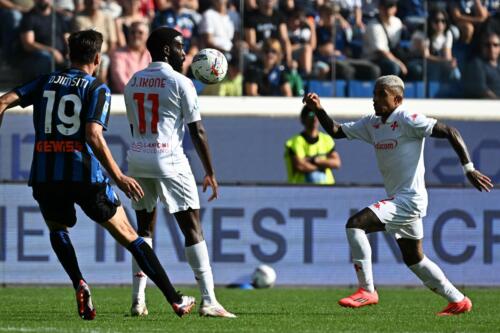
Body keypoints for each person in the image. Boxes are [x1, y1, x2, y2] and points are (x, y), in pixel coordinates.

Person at [0, 29, 196, 320]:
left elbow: (2, 101)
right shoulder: (96, 89)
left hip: (45, 173)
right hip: (83, 175)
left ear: (69, 54)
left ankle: (79, 281)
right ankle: (176, 300)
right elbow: (93, 134)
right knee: (132, 237)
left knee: (58, 229)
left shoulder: (45, 81)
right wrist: (118, 176)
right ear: (96, 57)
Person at [303, 75, 493, 315]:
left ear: (398, 98)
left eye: (381, 94)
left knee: (355, 225)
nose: (375, 99)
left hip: (408, 199)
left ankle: (367, 290)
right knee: (415, 259)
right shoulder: (372, 123)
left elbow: (449, 131)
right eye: (374, 93)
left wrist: (469, 169)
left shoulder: (406, 119)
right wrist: (319, 109)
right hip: (402, 198)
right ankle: (459, 300)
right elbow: (336, 131)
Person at [123, 27, 236, 318]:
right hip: (169, 159)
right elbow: (196, 130)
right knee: (192, 228)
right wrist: (210, 171)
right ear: (165, 50)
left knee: (143, 230)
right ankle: (209, 301)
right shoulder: (181, 82)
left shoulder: (133, 80)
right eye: (180, 46)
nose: (185, 53)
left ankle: (138, 301)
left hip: (137, 160)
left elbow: (135, 127)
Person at [284, 105, 341, 184]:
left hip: (327, 190)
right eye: (311, 115)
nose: (314, 119)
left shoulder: (327, 140)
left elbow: (336, 162)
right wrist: (324, 164)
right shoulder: (294, 142)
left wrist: (314, 160)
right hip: (300, 190)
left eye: (316, 115)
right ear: (303, 119)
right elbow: (300, 166)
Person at [18, 0, 70, 81]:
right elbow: (28, 44)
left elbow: (66, 37)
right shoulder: (29, 17)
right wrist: (52, 51)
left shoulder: (58, 17)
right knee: (45, 57)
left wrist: (69, 50)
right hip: (38, 57)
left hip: (61, 56)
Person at [110, 21, 151, 93]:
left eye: (140, 32)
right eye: (133, 32)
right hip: (125, 99)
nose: (136, 35)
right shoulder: (118, 54)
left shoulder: (151, 55)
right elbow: (120, 79)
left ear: (147, 35)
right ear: (128, 35)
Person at [463, 30, 500, 98]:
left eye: (495, 45)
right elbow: (482, 90)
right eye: (487, 45)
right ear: (482, 47)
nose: (491, 48)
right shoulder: (476, 64)